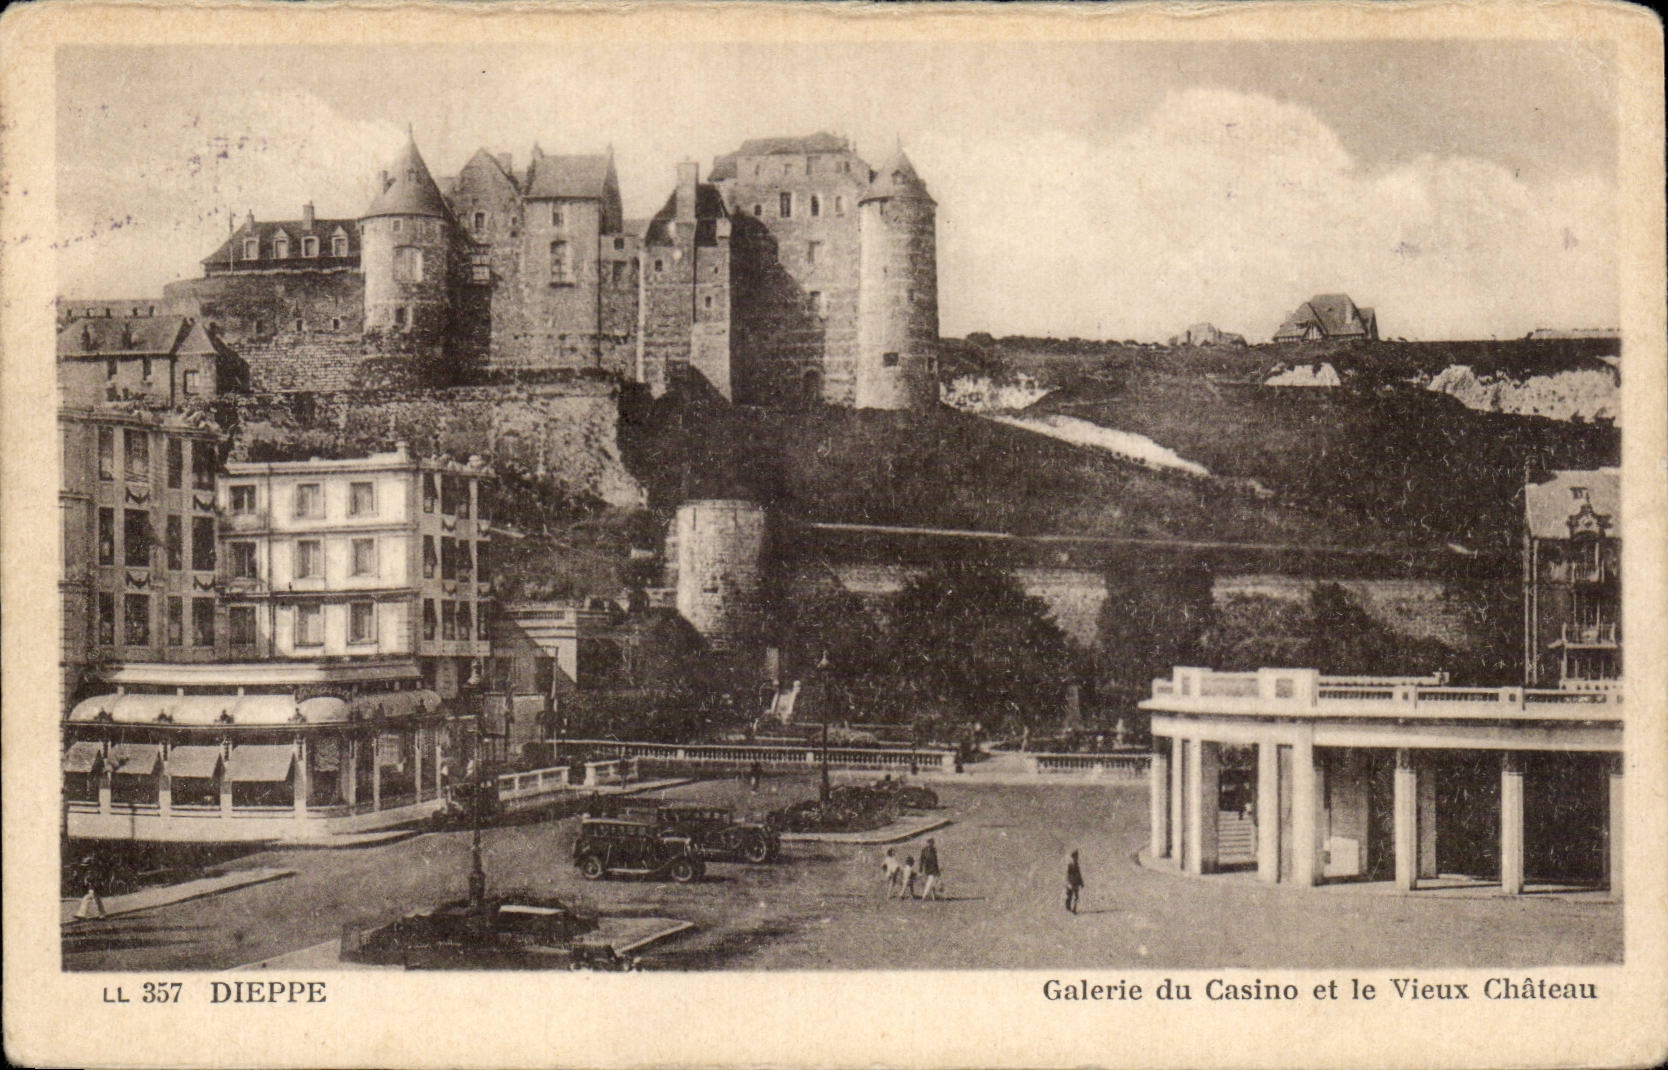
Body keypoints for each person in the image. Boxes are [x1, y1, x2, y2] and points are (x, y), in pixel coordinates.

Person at [73, 856, 106, 922]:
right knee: (97, 900)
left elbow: (95, 879)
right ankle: (102, 914)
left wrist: (93, 886)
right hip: (93, 886)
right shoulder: (89, 871)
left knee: (87, 898)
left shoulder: (93, 871)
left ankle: (81, 914)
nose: (85, 867)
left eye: (87, 865)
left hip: (95, 886)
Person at [1065, 849, 1085, 914]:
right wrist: (1069, 882)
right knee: (1069, 895)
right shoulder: (1070, 865)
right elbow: (1068, 875)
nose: (1076, 858)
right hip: (1071, 883)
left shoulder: (1076, 865)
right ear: (1073, 857)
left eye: (1077, 857)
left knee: (1076, 897)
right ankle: (1068, 908)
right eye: (1075, 857)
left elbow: (1079, 874)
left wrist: (1081, 882)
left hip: (1075, 883)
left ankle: (1074, 908)